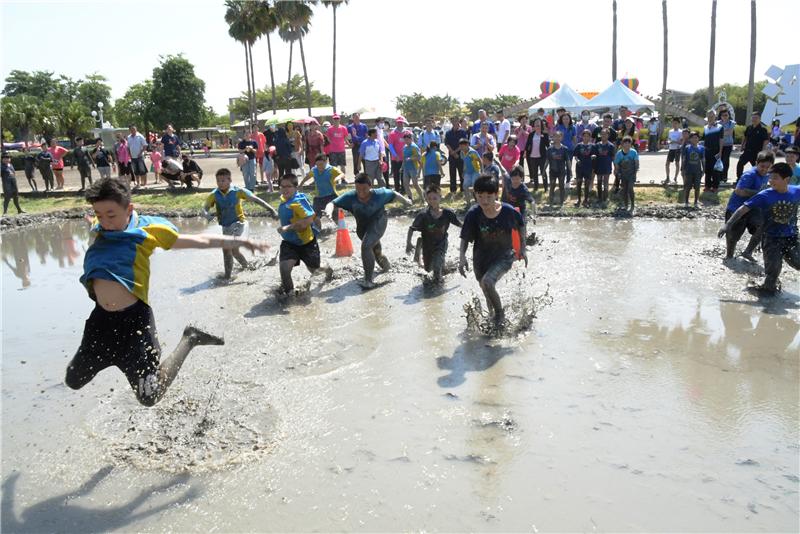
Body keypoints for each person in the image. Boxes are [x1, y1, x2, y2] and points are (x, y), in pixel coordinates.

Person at [66, 178, 268, 406]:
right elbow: (95, 221)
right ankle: (118, 358)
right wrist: (94, 220)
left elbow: (197, 240)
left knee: (149, 396)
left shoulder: (147, 231)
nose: (105, 222)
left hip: (135, 324)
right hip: (101, 322)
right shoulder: (101, 227)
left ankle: (190, 338)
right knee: (73, 379)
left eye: (111, 215)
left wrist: (236, 241)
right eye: (99, 215)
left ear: (129, 209)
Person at [718, 162, 799, 293]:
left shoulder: (796, 191)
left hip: (791, 237)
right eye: (770, 177)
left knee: (798, 263)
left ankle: (782, 259)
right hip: (771, 239)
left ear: (787, 180)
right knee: (772, 274)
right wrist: (728, 224)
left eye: (775, 178)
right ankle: (762, 289)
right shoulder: (765, 195)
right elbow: (743, 209)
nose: (770, 181)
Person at [458, 174, 526, 326]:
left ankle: (500, 316)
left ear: (496, 194)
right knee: (486, 288)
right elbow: (465, 237)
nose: (484, 201)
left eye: (489, 196)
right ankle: (493, 320)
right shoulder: (473, 214)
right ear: (475, 195)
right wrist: (462, 257)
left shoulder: (508, 211)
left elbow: (521, 225)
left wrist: (523, 248)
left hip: (504, 256)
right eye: (480, 196)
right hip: (481, 260)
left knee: (488, 282)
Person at [325, 173, 413, 288]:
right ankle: (388, 269)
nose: (361, 192)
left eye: (364, 189)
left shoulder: (380, 194)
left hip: (379, 222)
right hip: (363, 228)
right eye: (358, 189)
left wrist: (406, 201)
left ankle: (368, 281)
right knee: (376, 252)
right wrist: (328, 211)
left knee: (366, 246)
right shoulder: (350, 197)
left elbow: (393, 193)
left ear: (370, 186)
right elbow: (332, 203)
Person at [203, 167, 275, 280]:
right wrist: (206, 214)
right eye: (218, 181)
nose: (220, 183)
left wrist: (272, 210)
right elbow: (205, 208)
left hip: (239, 224)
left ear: (230, 180)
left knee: (226, 248)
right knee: (234, 252)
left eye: (223, 181)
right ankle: (248, 268)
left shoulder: (238, 191)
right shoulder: (214, 194)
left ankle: (227, 277)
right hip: (226, 227)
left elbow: (256, 200)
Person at [276, 173, 332, 293]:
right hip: (289, 243)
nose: (284, 189)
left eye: (288, 186)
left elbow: (307, 221)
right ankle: (289, 296)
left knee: (315, 269)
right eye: (282, 186)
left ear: (295, 187)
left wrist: (287, 227)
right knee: (285, 269)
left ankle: (328, 270)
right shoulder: (284, 198)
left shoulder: (298, 201)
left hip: (306, 243)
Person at [722, 150, 774, 260]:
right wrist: (760, 193)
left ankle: (748, 252)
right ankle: (729, 257)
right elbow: (739, 191)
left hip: (754, 208)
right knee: (733, 236)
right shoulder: (749, 175)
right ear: (756, 163)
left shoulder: (768, 174)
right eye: (762, 166)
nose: (764, 169)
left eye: (767, 167)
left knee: (763, 227)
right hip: (737, 208)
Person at [406, 184, 462, 282]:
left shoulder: (447, 213)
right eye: (429, 198)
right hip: (427, 245)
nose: (432, 201)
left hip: (441, 243)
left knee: (436, 269)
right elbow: (411, 229)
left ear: (440, 197)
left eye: (435, 198)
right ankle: (421, 250)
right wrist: (408, 243)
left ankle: (439, 287)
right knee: (428, 270)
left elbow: (460, 224)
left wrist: (472, 230)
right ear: (426, 199)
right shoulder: (423, 215)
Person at [299, 154, 342, 231]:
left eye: (321, 164)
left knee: (336, 218)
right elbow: (307, 177)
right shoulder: (314, 170)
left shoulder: (332, 169)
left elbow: (342, 174)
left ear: (326, 162)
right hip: (319, 197)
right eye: (317, 164)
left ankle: (341, 230)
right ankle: (318, 232)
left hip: (331, 196)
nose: (319, 166)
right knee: (315, 216)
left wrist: (337, 178)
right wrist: (301, 184)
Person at [736, 111, 770, 179]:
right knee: (740, 164)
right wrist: (742, 146)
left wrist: (763, 151)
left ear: (760, 119)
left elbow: (766, 141)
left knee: (757, 168)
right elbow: (745, 137)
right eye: (753, 117)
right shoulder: (749, 128)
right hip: (747, 151)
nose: (754, 119)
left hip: (757, 152)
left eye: (756, 118)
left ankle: (758, 180)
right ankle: (739, 179)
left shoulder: (763, 129)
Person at [613, 136, 639, 212]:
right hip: (623, 174)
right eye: (625, 143)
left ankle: (633, 205)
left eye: (629, 143)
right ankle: (626, 205)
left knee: (630, 188)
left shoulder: (633, 152)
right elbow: (617, 164)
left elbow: (636, 163)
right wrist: (617, 172)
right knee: (624, 190)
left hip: (631, 174)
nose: (627, 145)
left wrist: (635, 172)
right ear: (622, 144)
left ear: (631, 144)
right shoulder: (619, 154)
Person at [680, 131, 705, 207]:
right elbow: (684, 159)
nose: (694, 139)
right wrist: (682, 169)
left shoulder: (701, 148)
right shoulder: (687, 148)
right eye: (693, 138)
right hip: (688, 170)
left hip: (697, 171)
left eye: (696, 138)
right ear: (690, 139)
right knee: (687, 186)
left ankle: (696, 202)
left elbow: (703, 160)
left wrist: (704, 169)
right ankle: (686, 202)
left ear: (698, 139)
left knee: (697, 187)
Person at [387, 116, 411, 193]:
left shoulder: (407, 132)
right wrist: (395, 155)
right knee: (396, 174)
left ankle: (404, 189)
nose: (400, 124)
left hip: (406, 158)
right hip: (396, 159)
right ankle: (397, 189)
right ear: (396, 123)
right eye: (398, 122)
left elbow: (411, 143)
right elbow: (390, 146)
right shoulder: (392, 133)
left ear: (403, 123)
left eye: (401, 122)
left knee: (404, 174)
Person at [702, 109, 723, 192]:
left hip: (716, 151)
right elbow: (703, 140)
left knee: (715, 170)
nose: (710, 117)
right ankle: (707, 185)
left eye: (712, 116)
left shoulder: (720, 127)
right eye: (709, 116)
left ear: (715, 117)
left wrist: (720, 151)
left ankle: (715, 187)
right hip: (707, 151)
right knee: (707, 169)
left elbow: (721, 140)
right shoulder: (705, 127)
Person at [525, 118, 550, 191]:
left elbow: (548, 145)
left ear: (541, 125)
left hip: (542, 156)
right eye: (536, 124)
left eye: (538, 124)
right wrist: (527, 152)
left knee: (543, 172)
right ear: (534, 126)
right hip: (532, 156)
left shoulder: (544, 134)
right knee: (534, 173)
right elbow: (527, 145)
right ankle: (535, 188)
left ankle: (546, 188)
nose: (537, 125)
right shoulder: (531, 134)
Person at [573, 129, 595, 207]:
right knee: (579, 183)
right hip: (579, 167)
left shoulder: (592, 146)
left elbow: (595, 154)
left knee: (587, 184)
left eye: (588, 136)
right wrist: (577, 159)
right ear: (582, 137)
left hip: (588, 167)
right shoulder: (579, 145)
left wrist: (593, 156)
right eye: (584, 136)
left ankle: (586, 200)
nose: (586, 138)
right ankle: (578, 199)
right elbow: (575, 155)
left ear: (590, 137)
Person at [445, 117, 466, 195]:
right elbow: (447, 143)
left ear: (458, 121)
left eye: (455, 120)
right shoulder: (448, 133)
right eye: (452, 121)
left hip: (461, 155)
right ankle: (453, 190)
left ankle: (463, 189)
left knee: (462, 173)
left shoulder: (462, 132)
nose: (454, 122)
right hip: (451, 156)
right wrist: (452, 152)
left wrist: (456, 152)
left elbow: (463, 143)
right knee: (452, 173)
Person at [546, 131, 568, 206]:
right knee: (552, 185)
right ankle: (551, 203)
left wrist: (570, 170)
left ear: (561, 138)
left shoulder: (564, 149)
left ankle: (561, 203)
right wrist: (543, 171)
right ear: (553, 138)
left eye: (559, 136)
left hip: (561, 170)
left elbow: (568, 161)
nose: (557, 138)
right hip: (552, 170)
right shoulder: (549, 149)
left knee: (561, 186)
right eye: (555, 136)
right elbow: (547, 161)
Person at [594, 128, 615, 205]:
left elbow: (613, 157)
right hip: (599, 165)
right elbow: (594, 156)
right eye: (602, 134)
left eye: (605, 134)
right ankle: (599, 197)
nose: (603, 136)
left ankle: (606, 197)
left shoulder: (611, 146)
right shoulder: (597, 145)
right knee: (599, 181)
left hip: (607, 165)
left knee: (606, 182)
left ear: (608, 135)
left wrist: (615, 167)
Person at [555, 113, 577, 183]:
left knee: (568, 166)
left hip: (570, 149)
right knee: (561, 166)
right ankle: (561, 181)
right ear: (561, 119)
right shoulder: (559, 127)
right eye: (564, 119)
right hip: (560, 149)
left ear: (570, 119)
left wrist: (576, 148)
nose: (565, 120)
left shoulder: (573, 127)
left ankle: (568, 181)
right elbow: (556, 138)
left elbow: (574, 139)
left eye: (567, 119)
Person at [402, 133, 423, 203]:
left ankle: (423, 198)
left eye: (407, 140)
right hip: (406, 168)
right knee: (405, 184)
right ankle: (410, 199)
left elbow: (419, 157)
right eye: (405, 140)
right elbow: (404, 158)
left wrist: (411, 158)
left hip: (413, 168)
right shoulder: (404, 147)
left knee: (415, 184)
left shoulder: (414, 147)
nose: (406, 141)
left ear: (411, 139)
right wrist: (402, 167)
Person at [460, 138, 482, 204]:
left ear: (467, 145)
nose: (461, 148)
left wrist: (482, 171)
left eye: (462, 146)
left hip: (475, 171)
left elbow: (480, 161)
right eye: (460, 146)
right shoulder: (462, 152)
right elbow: (464, 162)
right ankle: (468, 203)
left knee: (475, 187)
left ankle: (478, 202)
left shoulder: (473, 152)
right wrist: (463, 171)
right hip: (467, 172)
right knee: (465, 186)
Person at [718, 107, 736, 183]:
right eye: (723, 115)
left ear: (729, 115)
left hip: (728, 144)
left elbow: (729, 133)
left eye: (726, 115)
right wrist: (725, 131)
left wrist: (722, 132)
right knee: (719, 160)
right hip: (719, 145)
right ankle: (719, 177)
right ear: (720, 116)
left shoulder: (732, 123)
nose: (724, 117)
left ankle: (724, 177)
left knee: (725, 160)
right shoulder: (718, 123)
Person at [664, 118, 683, 184]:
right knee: (667, 164)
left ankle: (675, 178)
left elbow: (681, 142)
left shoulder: (680, 132)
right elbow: (668, 139)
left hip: (677, 149)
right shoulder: (670, 131)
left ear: (679, 124)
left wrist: (674, 141)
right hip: (671, 149)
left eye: (676, 123)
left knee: (677, 164)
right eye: (673, 123)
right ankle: (667, 177)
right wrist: (668, 142)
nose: (674, 124)